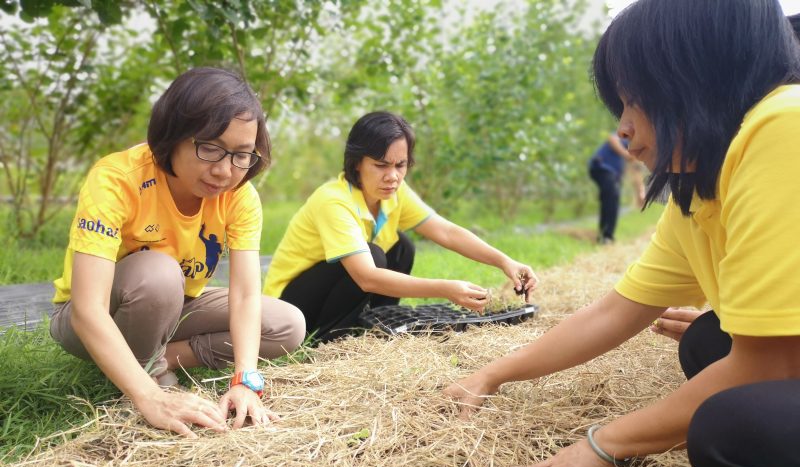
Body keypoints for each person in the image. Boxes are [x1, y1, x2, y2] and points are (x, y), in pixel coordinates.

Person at [445, 0, 800, 467]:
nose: (624, 128)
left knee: (729, 430)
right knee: (710, 341)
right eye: (621, 103)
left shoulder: (784, 126)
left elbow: (770, 364)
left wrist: (603, 443)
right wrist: (491, 375)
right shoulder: (699, 184)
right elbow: (616, 312)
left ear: (699, 75)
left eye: (638, 99)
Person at [50, 67, 306, 438]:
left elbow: (246, 295)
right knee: (158, 274)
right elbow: (88, 310)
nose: (224, 171)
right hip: (91, 315)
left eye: (241, 155)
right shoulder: (117, 179)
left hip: (176, 304)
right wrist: (150, 396)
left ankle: (160, 358)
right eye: (210, 148)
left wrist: (245, 380)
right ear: (172, 135)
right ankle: (145, 382)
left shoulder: (239, 197)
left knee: (287, 324)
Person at [263, 111, 538, 342]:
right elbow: (366, 277)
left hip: (327, 294)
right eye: (381, 165)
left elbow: (446, 231)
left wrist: (505, 261)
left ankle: (372, 328)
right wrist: (446, 289)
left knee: (402, 247)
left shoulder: (395, 193)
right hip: (289, 309)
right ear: (357, 163)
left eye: (400, 165)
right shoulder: (333, 200)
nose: (392, 176)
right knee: (373, 256)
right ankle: (330, 337)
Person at [588, 133, 638, 243]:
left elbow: (634, 170)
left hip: (612, 174)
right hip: (602, 167)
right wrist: (626, 154)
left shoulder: (634, 147)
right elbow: (612, 139)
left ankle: (604, 235)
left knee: (610, 199)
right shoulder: (626, 137)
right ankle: (606, 236)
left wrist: (640, 192)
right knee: (612, 196)